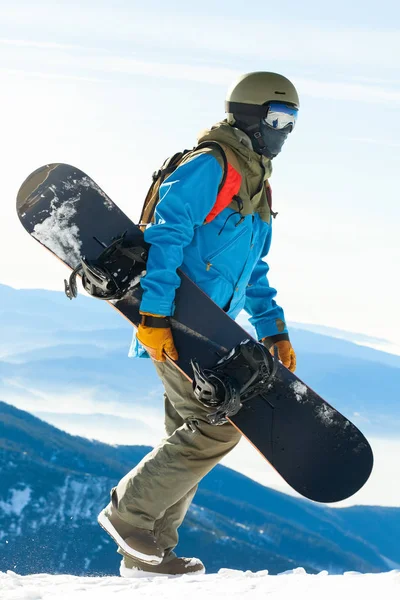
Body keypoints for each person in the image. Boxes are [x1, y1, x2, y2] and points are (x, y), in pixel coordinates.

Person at [98, 71, 299, 577]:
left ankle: (147, 552)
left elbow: (254, 266)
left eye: (292, 121)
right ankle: (129, 515)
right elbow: (166, 238)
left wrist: (273, 328)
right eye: (278, 118)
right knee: (219, 427)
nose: (285, 130)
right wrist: (154, 316)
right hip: (175, 320)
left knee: (187, 428)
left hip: (209, 326)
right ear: (251, 115)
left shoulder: (257, 185)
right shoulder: (210, 166)